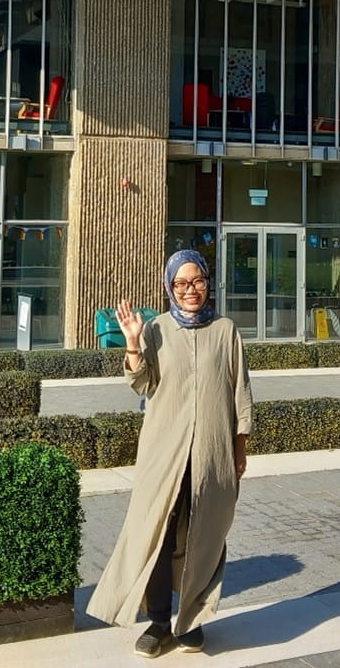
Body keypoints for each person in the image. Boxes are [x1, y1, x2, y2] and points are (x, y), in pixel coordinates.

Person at [88, 249, 253, 658]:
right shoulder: (156, 329)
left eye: (197, 281)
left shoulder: (226, 330)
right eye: (181, 283)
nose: (190, 290)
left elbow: (241, 393)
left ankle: (191, 619)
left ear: (207, 283)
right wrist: (131, 342)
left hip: (212, 455)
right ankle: (160, 622)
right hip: (163, 455)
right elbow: (141, 384)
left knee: (203, 535)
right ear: (170, 288)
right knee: (158, 534)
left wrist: (239, 449)